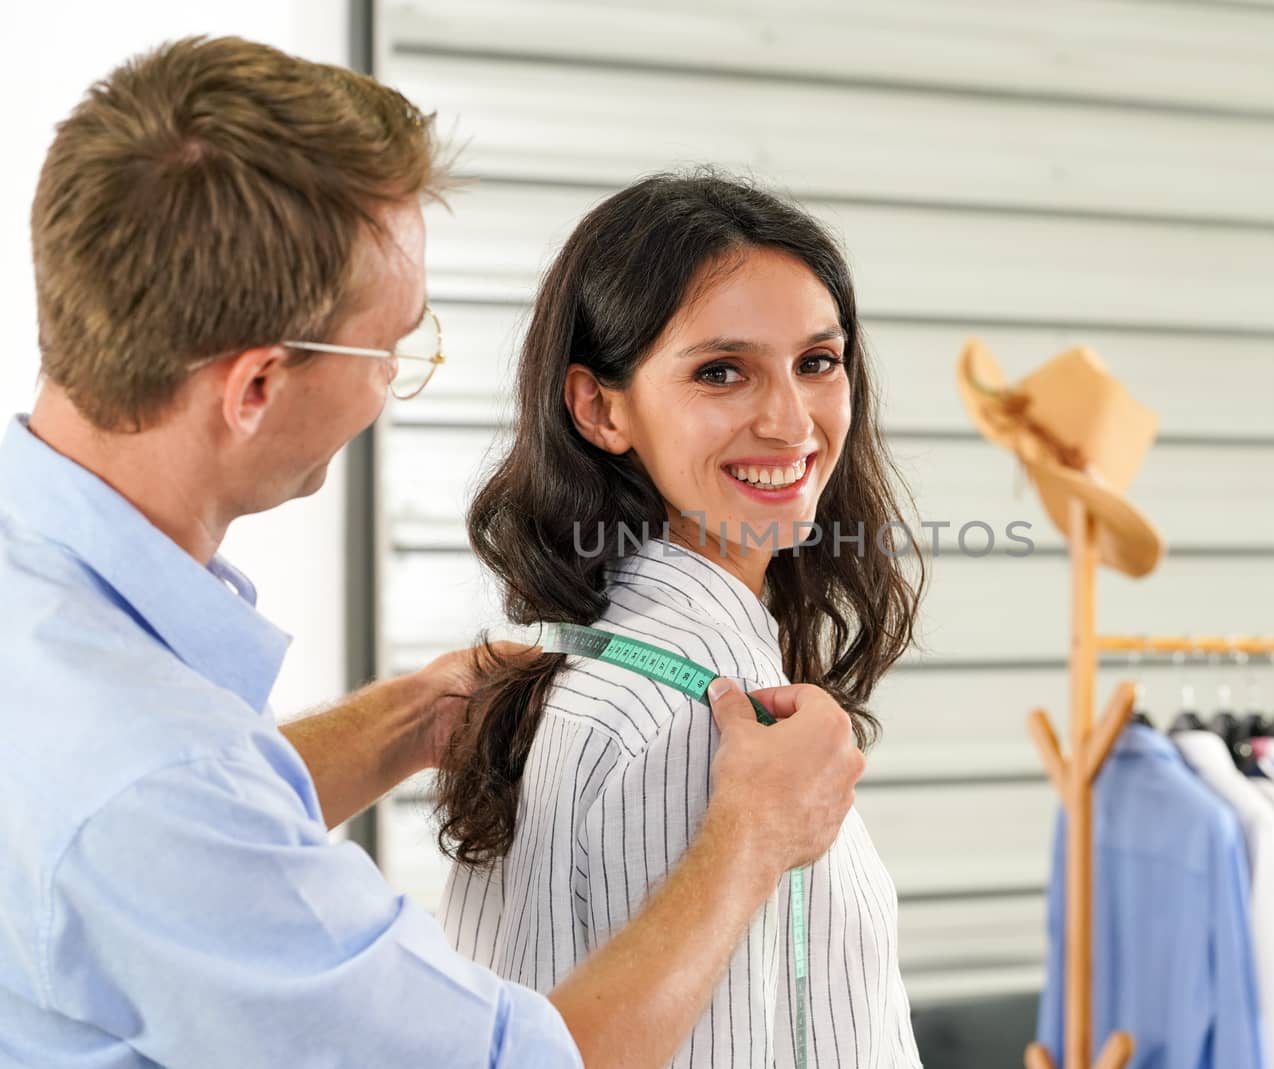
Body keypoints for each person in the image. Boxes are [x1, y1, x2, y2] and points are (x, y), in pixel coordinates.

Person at [0, 36, 866, 1069]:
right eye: (393, 349)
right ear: (257, 388)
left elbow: (127, 858)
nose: (788, 419)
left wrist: (409, 718)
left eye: (819, 361)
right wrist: (752, 840)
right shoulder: (150, 778)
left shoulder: (55, 632)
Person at [434, 171, 928, 1068]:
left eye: (818, 361)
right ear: (600, 407)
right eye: (722, 372)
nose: (791, 422)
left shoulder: (581, 674)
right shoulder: (697, 725)